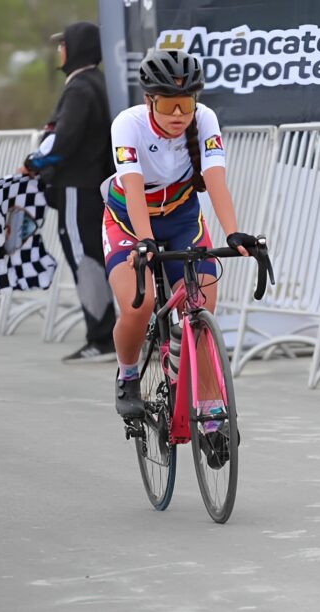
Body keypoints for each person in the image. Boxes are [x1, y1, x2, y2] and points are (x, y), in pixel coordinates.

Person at [102, 49, 255, 424]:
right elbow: (133, 187)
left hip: (183, 217)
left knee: (199, 306)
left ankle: (210, 412)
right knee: (139, 305)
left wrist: (233, 231)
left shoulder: (205, 120)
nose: (177, 115)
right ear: (149, 100)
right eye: (168, 104)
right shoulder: (128, 124)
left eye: (185, 104)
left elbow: (216, 181)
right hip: (128, 220)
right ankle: (128, 375)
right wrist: (144, 238)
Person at [20, 21, 117, 364]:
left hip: (78, 187)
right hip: (94, 187)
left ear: (76, 48)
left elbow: (65, 141)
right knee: (94, 256)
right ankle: (108, 332)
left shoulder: (79, 88)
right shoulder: (101, 83)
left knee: (84, 257)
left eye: (63, 44)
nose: (58, 50)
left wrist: (33, 162)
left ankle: (102, 337)